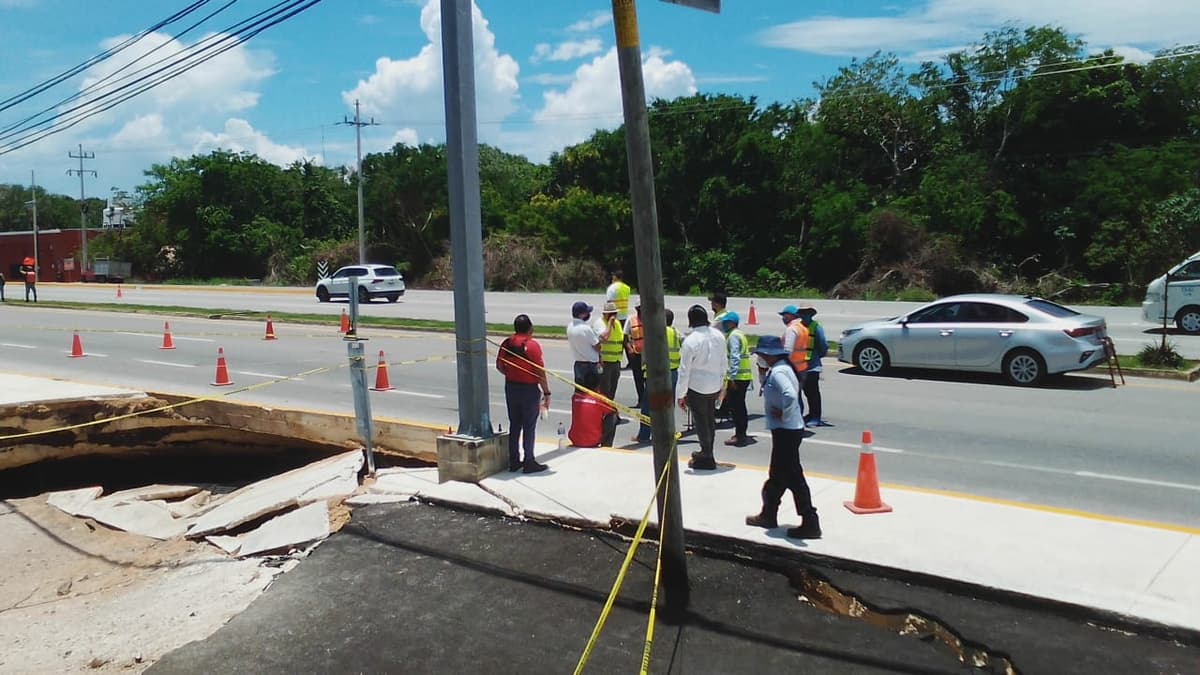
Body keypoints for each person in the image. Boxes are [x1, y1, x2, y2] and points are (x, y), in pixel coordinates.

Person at [744, 335, 821, 539]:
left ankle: (810, 521)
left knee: (793, 477)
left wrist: (784, 413)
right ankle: (768, 514)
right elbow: (774, 390)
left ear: (769, 355)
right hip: (787, 430)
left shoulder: (779, 372)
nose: (758, 357)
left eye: (760, 354)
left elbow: (788, 395)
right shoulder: (779, 369)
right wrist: (762, 375)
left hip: (786, 431)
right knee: (777, 476)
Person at [495, 314, 550, 474]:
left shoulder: (507, 343)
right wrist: (546, 392)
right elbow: (540, 372)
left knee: (515, 424)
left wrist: (511, 374)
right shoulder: (532, 346)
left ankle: (514, 461)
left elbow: (499, 365)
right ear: (530, 328)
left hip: (511, 387)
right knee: (529, 426)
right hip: (528, 390)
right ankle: (529, 461)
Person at [676, 304, 727, 470]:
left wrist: (680, 394)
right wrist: (722, 385)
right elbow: (723, 362)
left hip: (697, 387)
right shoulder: (719, 336)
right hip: (714, 385)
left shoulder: (690, 340)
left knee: (701, 422)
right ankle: (708, 451)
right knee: (709, 420)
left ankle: (706, 455)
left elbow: (684, 371)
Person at [634, 308, 680, 444]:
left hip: (655, 374)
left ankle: (644, 435)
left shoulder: (654, 332)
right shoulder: (677, 333)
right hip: (672, 372)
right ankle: (666, 434)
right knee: (667, 405)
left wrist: (644, 370)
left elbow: (646, 355)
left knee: (648, 406)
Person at [720, 311, 755, 447]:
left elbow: (735, 357)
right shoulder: (738, 334)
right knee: (739, 407)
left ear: (732, 323)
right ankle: (741, 433)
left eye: (725, 322)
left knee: (737, 408)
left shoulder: (734, 336)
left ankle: (740, 435)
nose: (723, 324)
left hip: (738, 378)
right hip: (743, 376)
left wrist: (732, 377)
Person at [797, 305, 830, 427]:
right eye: (802, 313)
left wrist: (816, 358)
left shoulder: (816, 327)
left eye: (807, 313)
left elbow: (823, 346)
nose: (804, 315)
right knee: (805, 392)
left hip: (812, 367)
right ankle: (810, 414)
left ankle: (816, 416)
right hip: (800, 366)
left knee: (813, 393)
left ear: (811, 314)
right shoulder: (797, 327)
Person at [567, 301, 611, 391]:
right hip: (590, 366)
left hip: (578, 364)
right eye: (587, 312)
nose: (588, 314)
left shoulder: (570, 327)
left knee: (580, 391)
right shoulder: (586, 328)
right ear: (581, 314)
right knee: (593, 391)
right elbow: (597, 346)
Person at [596, 301, 624, 405]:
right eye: (611, 314)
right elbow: (605, 337)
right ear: (604, 314)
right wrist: (610, 323)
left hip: (616, 361)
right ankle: (602, 412)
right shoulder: (600, 323)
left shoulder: (617, 323)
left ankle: (609, 411)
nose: (613, 316)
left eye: (615, 314)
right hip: (605, 362)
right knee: (604, 390)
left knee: (612, 389)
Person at [779, 304, 809, 384]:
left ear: (791, 316)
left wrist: (781, 366)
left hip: (792, 368)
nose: (783, 318)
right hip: (802, 367)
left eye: (784, 315)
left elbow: (787, 351)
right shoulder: (803, 328)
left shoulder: (792, 329)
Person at [625, 303, 646, 408]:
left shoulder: (650, 318)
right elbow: (625, 335)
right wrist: (629, 349)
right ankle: (641, 400)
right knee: (638, 378)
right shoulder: (631, 319)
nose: (640, 311)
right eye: (639, 309)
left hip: (648, 355)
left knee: (648, 378)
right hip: (636, 354)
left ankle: (648, 400)